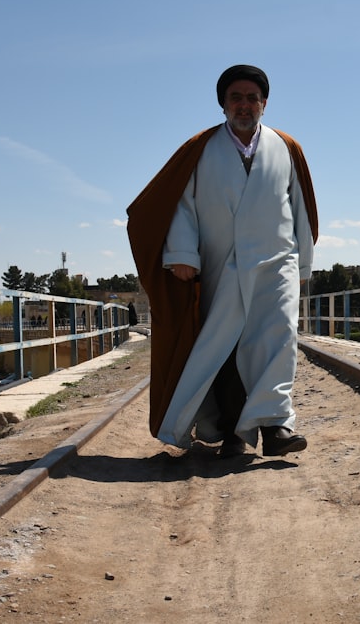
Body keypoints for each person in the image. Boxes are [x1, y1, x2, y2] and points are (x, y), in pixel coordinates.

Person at [127, 64, 318, 459]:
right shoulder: (199, 149)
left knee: (279, 339)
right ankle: (234, 431)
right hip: (222, 265)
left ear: (264, 103)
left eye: (252, 98)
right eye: (236, 98)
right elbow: (181, 205)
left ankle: (277, 425)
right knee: (227, 350)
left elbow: (301, 209)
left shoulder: (286, 147)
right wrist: (182, 255)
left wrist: (302, 266)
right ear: (223, 104)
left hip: (275, 262)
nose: (244, 105)